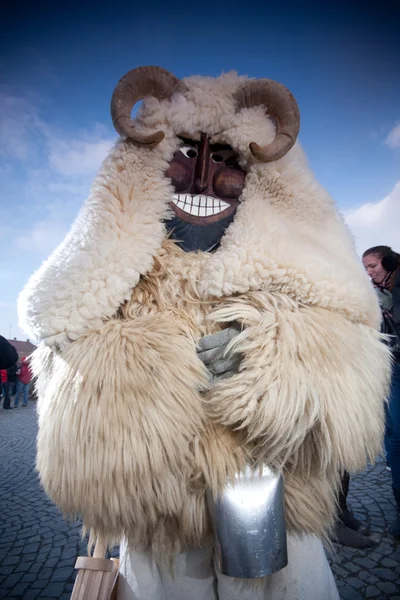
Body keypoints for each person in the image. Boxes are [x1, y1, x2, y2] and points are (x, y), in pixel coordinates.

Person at [19, 67, 391, 600]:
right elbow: (68, 397)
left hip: (272, 503)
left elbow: (353, 376)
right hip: (161, 517)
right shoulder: (111, 278)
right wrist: (152, 369)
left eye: (225, 159)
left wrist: (273, 363)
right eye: (186, 152)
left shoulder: (296, 273)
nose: (200, 180)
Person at [362, 245, 400, 539]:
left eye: (373, 266)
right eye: (366, 268)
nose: (369, 273)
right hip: (390, 368)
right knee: (392, 435)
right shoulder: (376, 294)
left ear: (388, 262)